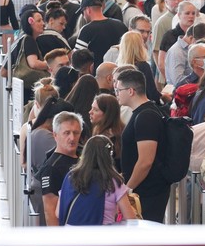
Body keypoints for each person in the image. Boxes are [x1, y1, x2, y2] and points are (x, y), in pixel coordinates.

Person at [115, 68, 169, 222]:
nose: (116, 93)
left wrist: (127, 189)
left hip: (148, 191)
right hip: (144, 189)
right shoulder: (142, 113)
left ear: (130, 91)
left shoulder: (146, 116)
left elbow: (145, 161)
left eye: (118, 90)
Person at [58, 135, 139, 225]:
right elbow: (131, 219)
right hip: (100, 236)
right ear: (109, 156)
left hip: (71, 236)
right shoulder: (112, 181)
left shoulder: (71, 177)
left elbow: (58, 212)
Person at [37, 111, 83, 226]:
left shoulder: (84, 156)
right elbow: (50, 212)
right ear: (55, 135)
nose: (72, 138)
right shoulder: (51, 168)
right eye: (66, 133)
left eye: (76, 133)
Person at [74, 0, 127, 67]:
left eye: (83, 12)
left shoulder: (86, 30)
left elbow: (77, 60)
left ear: (88, 10)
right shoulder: (120, 25)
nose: (83, 16)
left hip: (99, 74)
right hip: (120, 71)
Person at [90, 94, 124, 170]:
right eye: (91, 108)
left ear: (107, 114)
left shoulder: (110, 138)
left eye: (95, 110)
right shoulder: (98, 129)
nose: (90, 112)